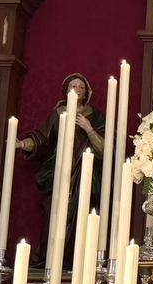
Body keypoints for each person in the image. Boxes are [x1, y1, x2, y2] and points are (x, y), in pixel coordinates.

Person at [16, 73, 105, 260]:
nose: (78, 89)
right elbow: (42, 138)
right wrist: (23, 144)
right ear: (66, 91)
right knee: (54, 216)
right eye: (74, 86)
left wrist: (88, 128)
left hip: (84, 174)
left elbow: (105, 149)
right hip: (58, 172)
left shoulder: (95, 117)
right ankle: (52, 260)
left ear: (87, 92)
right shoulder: (58, 114)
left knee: (82, 215)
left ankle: (76, 261)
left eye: (82, 87)